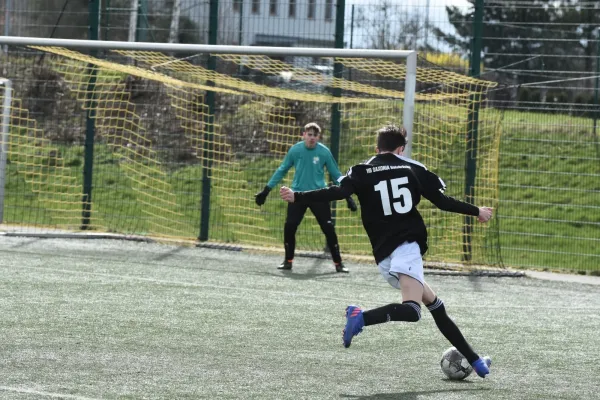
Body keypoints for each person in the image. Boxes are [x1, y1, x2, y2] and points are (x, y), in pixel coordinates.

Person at [279, 124, 493, 378]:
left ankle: (477, 362)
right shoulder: (413, 168)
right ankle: (360, 317)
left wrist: (298, 196)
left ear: (376, 147)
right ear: (401, 148)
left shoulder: (361, 170)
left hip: (383, 255)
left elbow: (337, 192)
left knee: (435, 306)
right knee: (413, 311)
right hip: (407, 246)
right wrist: (477, 211)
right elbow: (442, 201)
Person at [255, 122, 357, 273]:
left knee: (328, 229)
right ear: (303, 135)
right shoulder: (295, 150)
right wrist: (266, 190)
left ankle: (338, 263)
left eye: (315, 135)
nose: (312, 138)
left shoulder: (324, 152)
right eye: (309, 134)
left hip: (319, 195)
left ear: (318, 137)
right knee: (290, 227)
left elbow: (336, 174)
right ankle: (288, 261)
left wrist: (348, 196)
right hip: (297, 196)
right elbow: (282, 169)